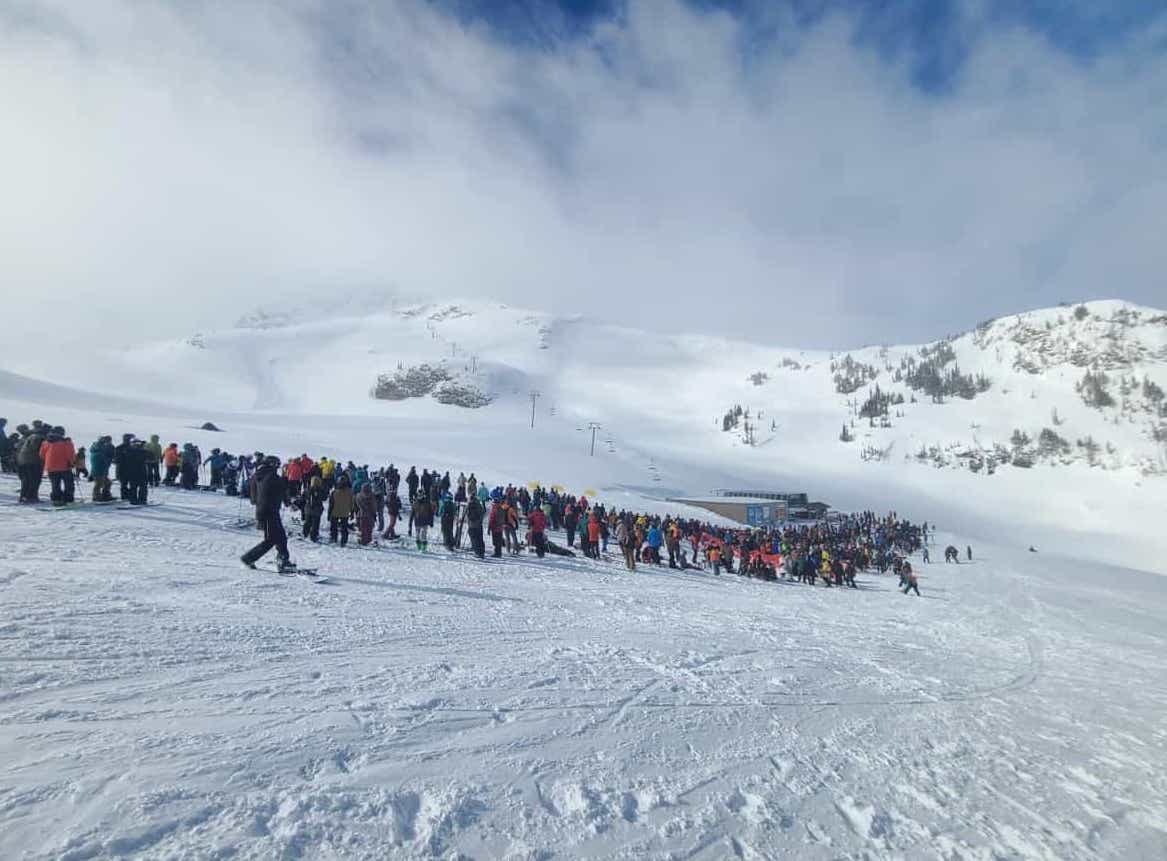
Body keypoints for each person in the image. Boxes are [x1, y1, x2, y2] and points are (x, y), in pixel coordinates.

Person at [241, 455, 295, 572]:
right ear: (273, 465)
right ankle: (248, 558)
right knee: (272, 538)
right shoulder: (272, 476)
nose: (278, 468)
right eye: (277, 466)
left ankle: (283, 559)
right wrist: (287, 500)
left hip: (264, 510)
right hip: (270, 511)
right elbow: (281, 489)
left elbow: (253, 499)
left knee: (279, 536)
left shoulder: (257, 476)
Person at [40, 427, 76, 506]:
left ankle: (56, 500)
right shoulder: (66, 442)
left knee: (55, 484)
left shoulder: (46, 442)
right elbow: (70, 454)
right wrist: (72, 463)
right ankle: (68, 499)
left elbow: (41, 455)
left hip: (50, 467)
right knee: (69, 484)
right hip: (64, 466)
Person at [17, 423, 46, 503]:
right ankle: (29, 497)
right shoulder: (37, 437)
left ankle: (27, 496)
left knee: (28, 480)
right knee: (33, 480)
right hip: (32, 461)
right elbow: (36, 449)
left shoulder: (31, 436)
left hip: (25, 460)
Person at [328, 474, 355, 546]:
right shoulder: (350, 492)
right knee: (344, 527)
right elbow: (352, 503)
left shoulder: (334, 492)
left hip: (335, 512)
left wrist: (329, 513)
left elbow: (331, 504)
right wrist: (352, 512)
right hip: (345, 512)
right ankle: (344, 541)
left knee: (334, 526)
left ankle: (333, 538)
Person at [123, 439, 149, 505]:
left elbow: (150, 456)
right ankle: (136, 500)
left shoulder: (141, 451)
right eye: (136, 444)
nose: (137, 445)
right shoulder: (130, 451)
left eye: (138, 444)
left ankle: (139, 499)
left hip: (139, 471)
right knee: (136, 486)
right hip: (135, 471)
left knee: (140, 486)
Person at [89, 436, 115, 502]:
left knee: (107, 482)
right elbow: (104, 460)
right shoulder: (99, 451)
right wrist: (110, 459)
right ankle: (96, 497)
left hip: (102, 470)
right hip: (98, 470)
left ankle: (105, 495)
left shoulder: (99, 449)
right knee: (99, 483)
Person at [302, 476, 326, 542]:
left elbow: (303, 497)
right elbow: (324, 498)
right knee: (315, 524)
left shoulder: (307, 489)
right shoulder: (321, 490)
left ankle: (305, 533)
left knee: (307, 522)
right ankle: (314, 536)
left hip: (308, 508)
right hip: (317, 509)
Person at [466, 493, 486, 559]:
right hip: (479, 524)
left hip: (472, 524)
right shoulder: (479, 504)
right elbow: (483, 513)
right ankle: (482, 552)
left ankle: (477, 552)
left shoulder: (470, 504)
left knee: (474, 538)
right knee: (480, 538)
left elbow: (468, 514)